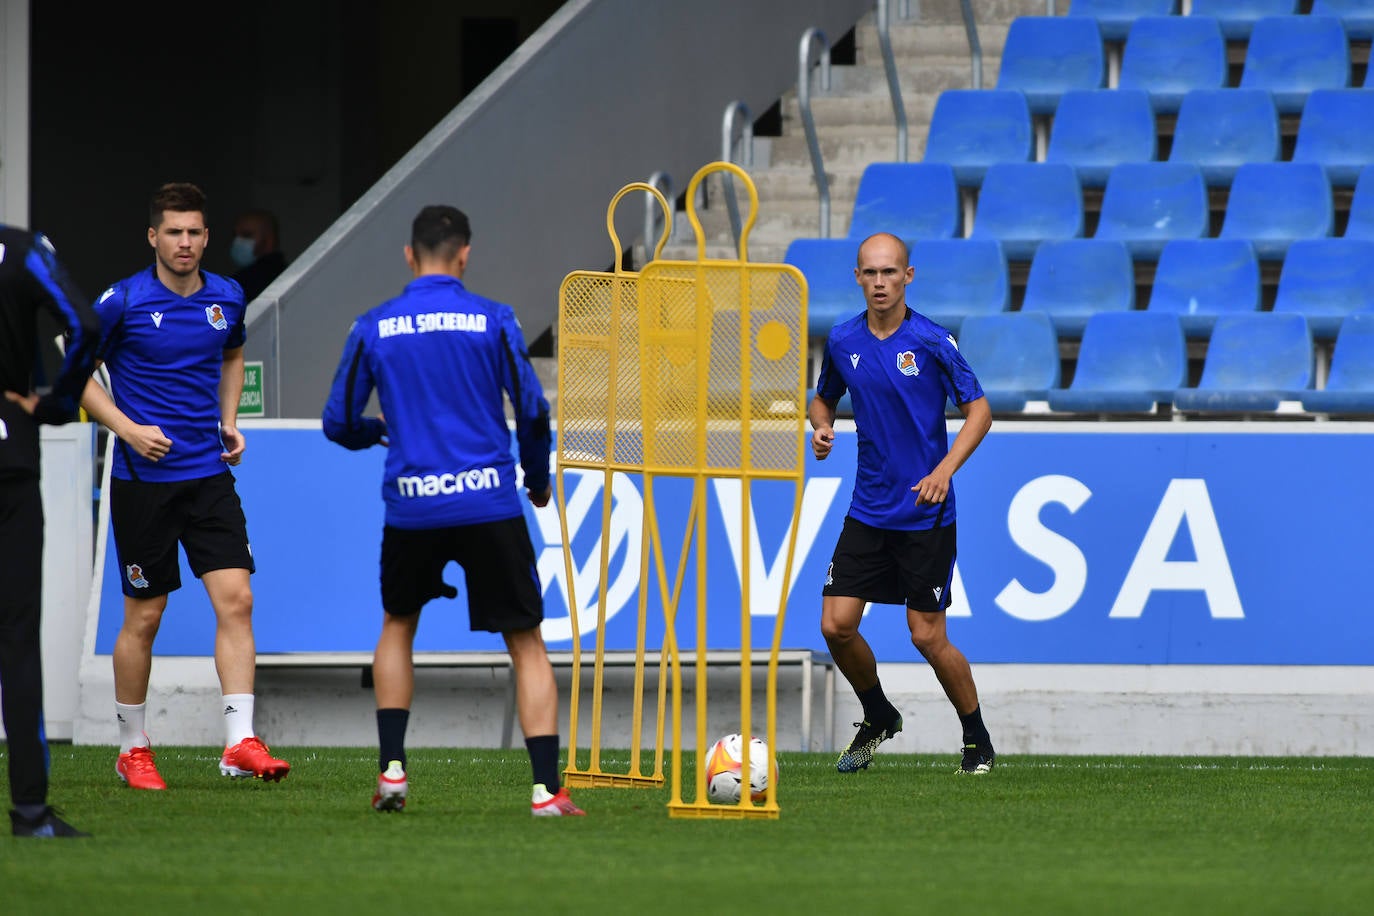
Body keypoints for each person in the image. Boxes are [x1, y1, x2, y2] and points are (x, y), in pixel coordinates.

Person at [322, 205, 583, 817]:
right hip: (487, 500)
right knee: (526, 642)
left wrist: (378, 431)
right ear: (464, 255)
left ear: (409, 256)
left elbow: (339, 421)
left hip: (413, 505)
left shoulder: (374, 325)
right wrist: (537, 480)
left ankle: (392, 771)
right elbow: (533, 410)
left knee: (398, 626)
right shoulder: (494, 319)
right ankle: (546, 791)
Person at [80, 182, 290, 790]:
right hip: (143, 481)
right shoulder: (121, 301)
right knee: (145, 617)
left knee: (237, 600)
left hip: (209, 477)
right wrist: (126, 429)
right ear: (153, 237)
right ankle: (132, 748)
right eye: (173, 232)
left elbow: (233, 356)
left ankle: (239, 742)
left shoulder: (227, 295)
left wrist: (229, 420)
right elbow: (76, 372)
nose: (185, 242)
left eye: (195, 232)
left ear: (206, 237)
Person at [809, 232, 997, 776]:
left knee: (926, 635)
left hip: (924, 514)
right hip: (868, 509)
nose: (880, 282)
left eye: (889, 272)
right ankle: (878, 716)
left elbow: (980, 411)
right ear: (857, 277)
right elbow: (823, 398)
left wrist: (944, 470)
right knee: (835, 625)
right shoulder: (843, 340)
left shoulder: (933, 340)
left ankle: (977, 738)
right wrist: (821, 428)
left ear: (907, 277)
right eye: (870, 273)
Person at [1, 225, 100, 837]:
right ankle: (31, 811)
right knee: (16, 638)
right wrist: (58, 404)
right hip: (9, 455)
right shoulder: (19, 251)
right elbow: (85, 324)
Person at [228, 208, 286, 302]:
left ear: (269, 240)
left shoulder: (249, 282)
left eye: (247, 235)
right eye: (235, 235)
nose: (237, 241)